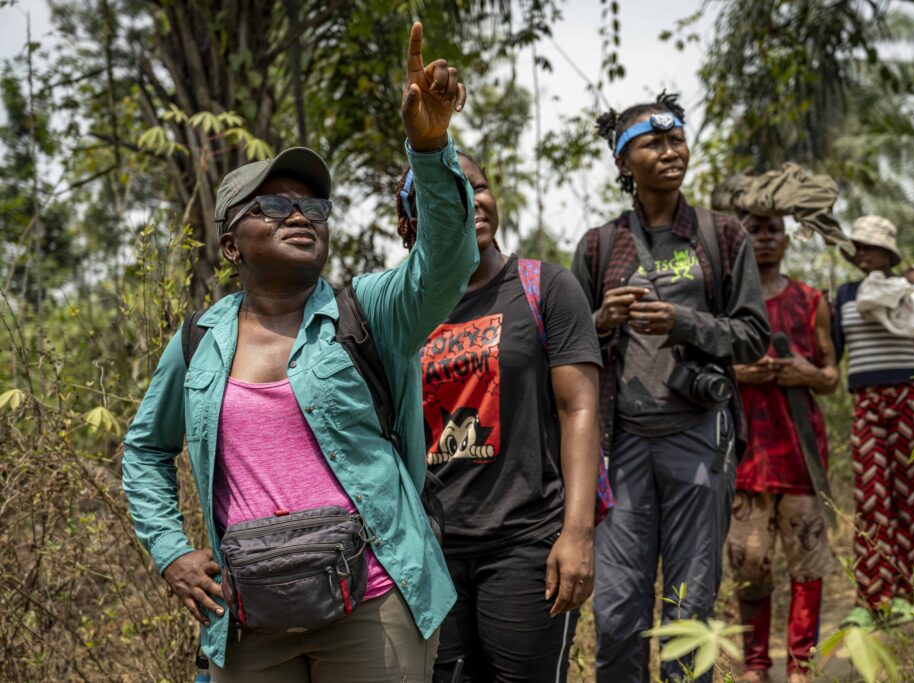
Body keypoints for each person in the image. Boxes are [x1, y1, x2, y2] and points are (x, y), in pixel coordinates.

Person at [121, 23, 474, 681]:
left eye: (314, 203)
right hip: (249, 618)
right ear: (231, 243)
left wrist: (429, 148)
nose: (302, 213)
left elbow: (446, 262)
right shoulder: (197, 343)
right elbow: (142, 449)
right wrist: (171, 551)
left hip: (372, 605)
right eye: (276, 203)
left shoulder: (369, 311)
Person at [570, 91, 770, 683]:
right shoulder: (599, 245)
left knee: (689, 611)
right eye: (651, 143)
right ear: (623, 163)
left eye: (675, 139)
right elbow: (568, 349)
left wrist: (684, 323)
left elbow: (755, 335)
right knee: (617, 613)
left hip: (699, 439)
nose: (669, 151)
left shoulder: (721, 235)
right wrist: (602, 321)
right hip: (622, 444)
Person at [395, 150, 602, 682]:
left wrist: (576, 534)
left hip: (526, 542)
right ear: (409, 221)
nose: (470, 200)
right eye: (444, 192)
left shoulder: (547, 288)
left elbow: (578, 409)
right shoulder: (398, 311)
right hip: (432, 551)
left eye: (478, 187)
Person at [727, 212, 838, 683]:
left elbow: (831, 375)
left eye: (774, 230)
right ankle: (755, 665)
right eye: (756, 230)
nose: (766, 238)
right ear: (744, 239)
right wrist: (741, 373)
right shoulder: (730, 302)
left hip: (800, 452)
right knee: (749, 562)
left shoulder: (812, 300)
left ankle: (801, 664)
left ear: (787, 240)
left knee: (806, 560)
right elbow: (711, 363)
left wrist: (804, 373)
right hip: (747, 452)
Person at [832, 215, 914, 630]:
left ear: (889, 253)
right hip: (866, 402)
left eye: (869, 245)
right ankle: (869, 599)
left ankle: (902, 595)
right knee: (870, 499)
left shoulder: (910, 290)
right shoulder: (845, 295)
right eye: (857, 245)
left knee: (905, 496)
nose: (861, 252)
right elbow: (835, 350)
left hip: (910, 399)